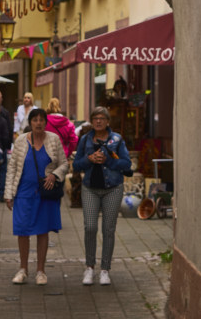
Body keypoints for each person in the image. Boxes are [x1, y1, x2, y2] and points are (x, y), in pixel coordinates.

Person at [5, 108, 68, 286]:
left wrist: (54, 175)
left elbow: (64, 164)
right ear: (30, 123)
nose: (38, 123)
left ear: (46, 122)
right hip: (24, 192)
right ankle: (23, 269)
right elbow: (12, 169)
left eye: (41, 120)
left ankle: (41, 271)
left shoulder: (53, 140)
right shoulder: (20, 141)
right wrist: (8, 194)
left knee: (42, 230)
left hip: (46, 192)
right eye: (35, 120)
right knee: (22, 230)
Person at [73, 106, 132, 286]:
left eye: (102, 118)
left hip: (112, 188)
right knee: (90, 227)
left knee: (109, 229)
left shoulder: (117, 139)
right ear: (91, 121)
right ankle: (89, 267)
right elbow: (76, 165)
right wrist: (89, 159)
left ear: (107, 121)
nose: (98, 121)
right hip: (90, 188)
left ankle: (105, 270)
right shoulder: (85, 140)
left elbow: (127, 164)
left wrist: (109, 161)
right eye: (95, 118)